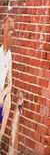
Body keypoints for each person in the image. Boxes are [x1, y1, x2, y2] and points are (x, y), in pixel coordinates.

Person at [0, 16, 14, 147]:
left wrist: (4, 93)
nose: (11, 37)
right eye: (9, 33)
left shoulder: (9, 54)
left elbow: (10, 80)